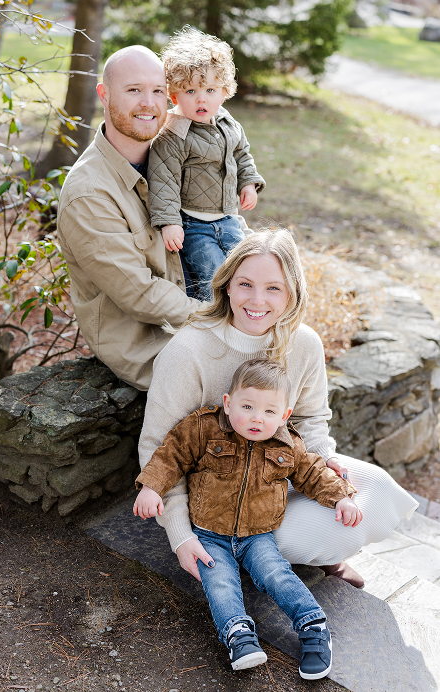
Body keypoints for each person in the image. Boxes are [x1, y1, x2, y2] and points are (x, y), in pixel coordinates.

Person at [138, 228, 418, 589]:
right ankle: (235, 552)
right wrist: (178, 533)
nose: (257, 300)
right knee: (301, 531)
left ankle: (312, 551)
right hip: (214, 498)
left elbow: (311, 418)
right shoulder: (188, 351)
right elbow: (158, 447)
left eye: (273, 288)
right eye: (245, 284)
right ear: (226, 285)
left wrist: (324, 459)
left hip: (276, 474)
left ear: (291, 293)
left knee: (375, 489)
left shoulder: (304, 343)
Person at [134, 358, 360, 676]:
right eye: (248, 406)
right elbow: (171, 454)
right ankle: (239, 635)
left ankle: (313, 625)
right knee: (219, 582)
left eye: (269, 412)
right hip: (208, 532)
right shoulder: (204, 428)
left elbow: (313, 473)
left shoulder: (287, 443)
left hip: (257, 534)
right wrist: (151, 488)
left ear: (284, 415)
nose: (257, 418)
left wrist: (342, 497)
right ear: (228, 403)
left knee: (275, 574)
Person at [57, 46, 201, 390]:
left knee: (302, 345)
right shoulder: (89, 194)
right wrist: (225, 319)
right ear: (104, 95)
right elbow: (140, 294)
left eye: (157, 91)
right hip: (155, 349)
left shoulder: (173, 158)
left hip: (199, 325)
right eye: (134, 90)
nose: (149, 103)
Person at [147, 28, 265, 298]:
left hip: (228, 218)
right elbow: (162, 180)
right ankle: (212, 324)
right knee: (213, 276)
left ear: (224, 92)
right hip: (194, 224)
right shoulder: (173, 136)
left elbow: (241, 153)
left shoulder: (226, 122)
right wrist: (169, 223)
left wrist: (248, 182)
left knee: (245, 269)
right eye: (191, 90)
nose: (202, 98)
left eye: (210, 90)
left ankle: (246, 319)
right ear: (174, 96)